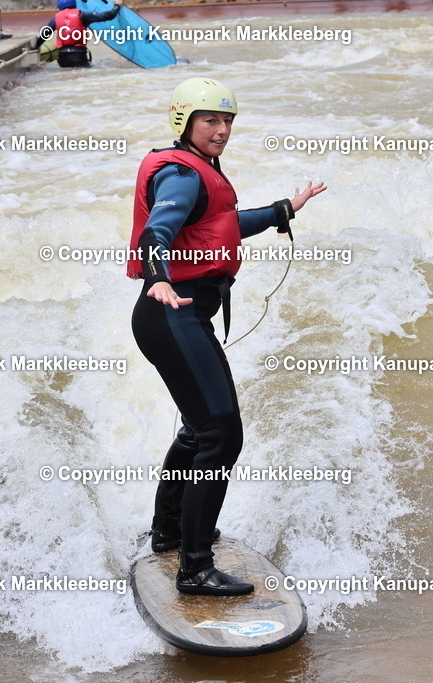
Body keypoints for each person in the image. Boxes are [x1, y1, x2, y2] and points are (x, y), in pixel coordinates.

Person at [128, 78, 326, 597]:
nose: (221, 130)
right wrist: (158, 277)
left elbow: (223, 224)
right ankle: (194, 569)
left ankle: (169, 532)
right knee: (220, 436)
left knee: (199, 432)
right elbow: (159, 230)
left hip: (177, 317)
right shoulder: (180, 175)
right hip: (171, 313)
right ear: (184, 122)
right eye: (210, 120)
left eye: (227, 121)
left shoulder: (198, 170)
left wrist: (285, 208)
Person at [36, 0, 123, 68]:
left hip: (62, 58)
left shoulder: (55, 18)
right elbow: (109, 15)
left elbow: (44, 34)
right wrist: (117, 5)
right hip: (79, 56)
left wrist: (36, 46)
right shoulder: (82, 15)